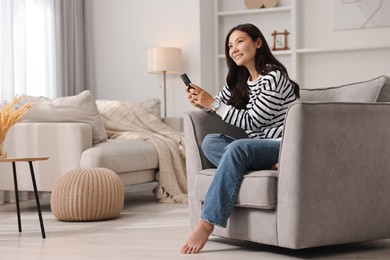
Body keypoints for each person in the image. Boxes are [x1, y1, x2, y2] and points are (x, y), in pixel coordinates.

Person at [180, 23, 300, 254]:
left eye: (240, 42)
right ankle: (267, 165)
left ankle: (207, 223)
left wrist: (211, 103)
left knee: (237, 149)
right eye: (230, 45)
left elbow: (252, 121)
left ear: (257, 42)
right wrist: (200, 101)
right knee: (210, 142)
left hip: (281, 145)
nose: (234, 49)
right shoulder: (239, 81)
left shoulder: (274, 77)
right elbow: (217, 107)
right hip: (258, 149)